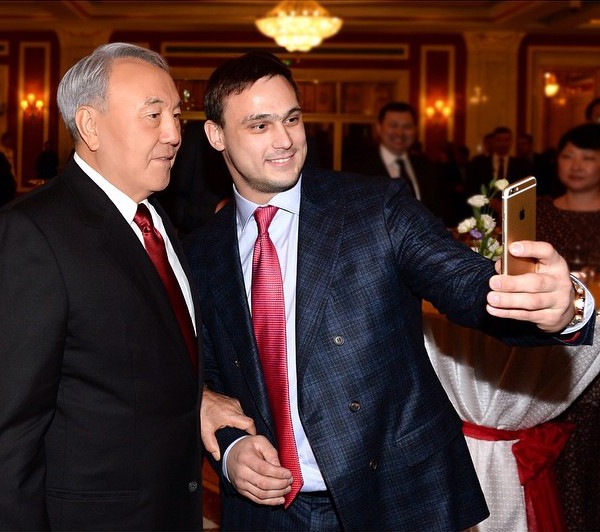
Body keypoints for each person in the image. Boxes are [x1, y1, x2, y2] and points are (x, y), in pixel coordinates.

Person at [183, 51, 595, 531]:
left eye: (291, 119)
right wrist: (232, 447)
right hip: (269, 512)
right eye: (260, 125)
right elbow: (206, 376)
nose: (285, 140)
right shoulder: (201, 251)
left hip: (394, 498)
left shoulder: (375, 207)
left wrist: (557, 306)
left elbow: (462, 282)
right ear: (216, 135)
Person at [0, 42, 252, 531]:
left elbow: (131, 361)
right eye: (153, 115)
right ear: (90, 126)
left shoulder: (155, 221)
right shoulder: (29, 236)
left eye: (175, 116)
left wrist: (198, 396)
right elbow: (0, 443)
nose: (173, 134)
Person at [536, 122, 600, 532]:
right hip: (551, 352)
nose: (576, 166)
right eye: (567, 156)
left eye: (588, 158)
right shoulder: (540, 212)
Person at [345, 101, 450, 225]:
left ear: (415, 130)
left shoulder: (427, 168)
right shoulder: (358, 170)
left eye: (407, 127)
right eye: (393, 125)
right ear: (379, 128)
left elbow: (438, 214)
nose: (400, 133)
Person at [467, 126, 530, 194]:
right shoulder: (479, 163)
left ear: (511, 142)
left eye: (506, 140)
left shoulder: (521, 165)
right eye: (499, 140)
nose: (503, 143)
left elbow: (523, 189)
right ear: (493, 141)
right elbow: (472, 187)